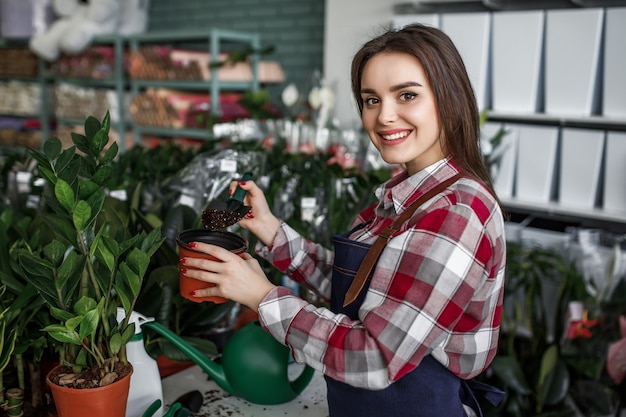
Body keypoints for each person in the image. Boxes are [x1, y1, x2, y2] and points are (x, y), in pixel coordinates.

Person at [180, 23, 506, 417]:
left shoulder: (455, 215)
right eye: (371, 100)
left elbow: (376, 357)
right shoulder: (405, 194)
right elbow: (360, 290)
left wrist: (262, 297)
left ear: (448, 98)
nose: (384, 116)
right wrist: (267, 228)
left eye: (406, 95)